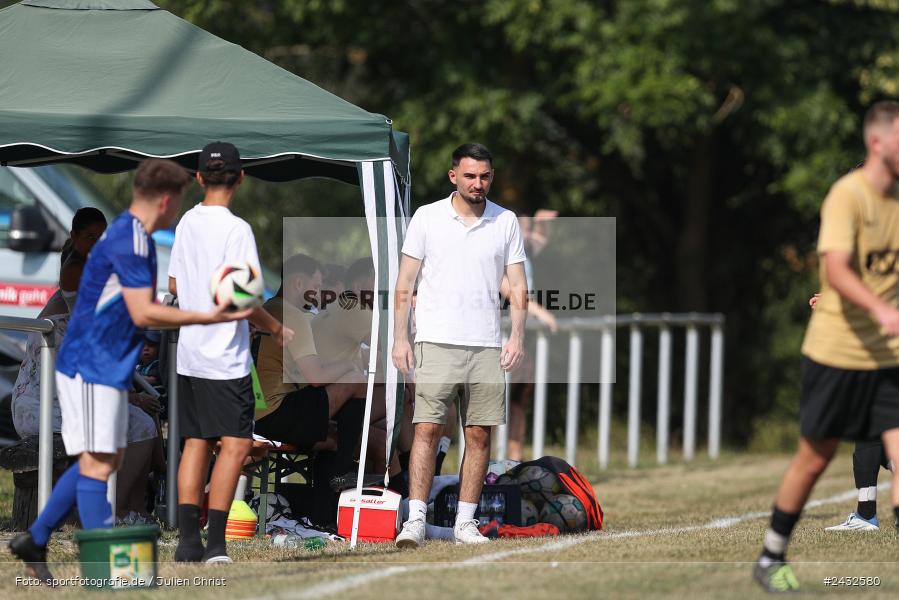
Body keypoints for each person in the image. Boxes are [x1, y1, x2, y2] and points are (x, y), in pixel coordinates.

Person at [9, 158, 251, 583]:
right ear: (164, 199)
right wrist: (207, 315)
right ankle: (104, 567)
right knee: (100, 461)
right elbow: (143, 310)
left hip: (96, 365)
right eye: (176, 203)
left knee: (101, 457)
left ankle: (38, 537)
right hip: (90, 368)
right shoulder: (133, 243)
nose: (178, 212)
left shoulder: (124, 235)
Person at [753, 101, 899, 592]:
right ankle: (772, 554)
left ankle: (872, 521)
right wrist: (878, 309)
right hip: (837, 348)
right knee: (814, 457)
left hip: (885, 352)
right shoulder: (847, 195)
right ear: (878, 143)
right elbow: (837, 268)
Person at [392, 143, 528, 548]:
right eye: (470, 176)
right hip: (434, 339)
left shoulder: (505, 221)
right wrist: (401, 338)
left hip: (486, 344)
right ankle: (415, 519)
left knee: (480, 435)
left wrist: (516, 335)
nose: (478, 183)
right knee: (427, 430)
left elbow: (518, 285)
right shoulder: (427, 217)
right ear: (454, 176)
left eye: (484, 176)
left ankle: (465, 523)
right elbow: (404, 284)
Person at [168, 142, 291, 564]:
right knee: (237, 445)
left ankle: (187, 542)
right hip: (225, 355)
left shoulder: (185, 223)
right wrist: (275, 327)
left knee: (196, 443)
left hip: (190, 353)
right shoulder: (237, 229)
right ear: (241, 177)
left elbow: (173, 286)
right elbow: (243, 298)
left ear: (199, 177)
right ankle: (216, 545)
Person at [40, 207, 108, 317]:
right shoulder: (75, 268)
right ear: (74, 236)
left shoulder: (89, 261)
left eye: (102, 238)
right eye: (90, 237)